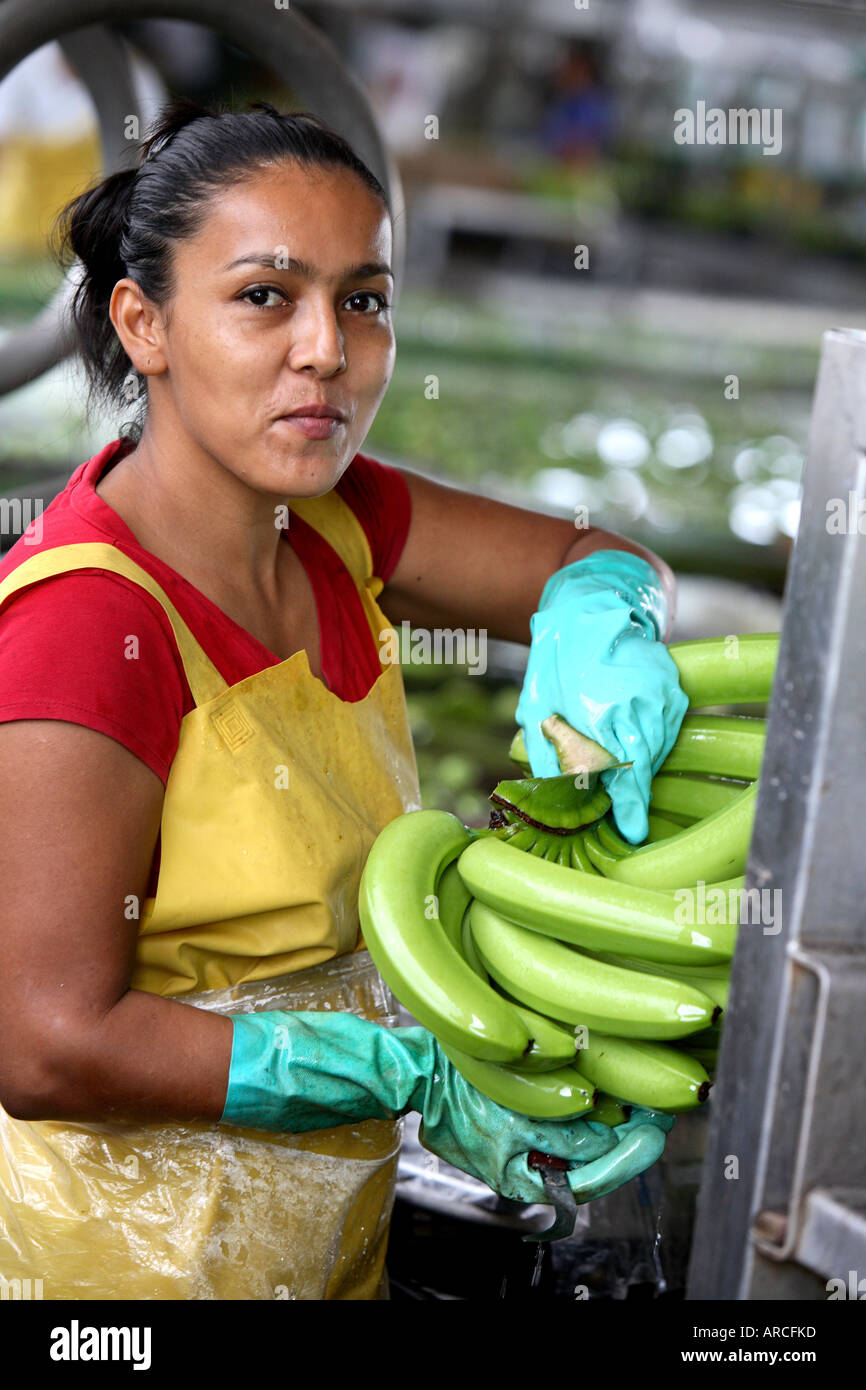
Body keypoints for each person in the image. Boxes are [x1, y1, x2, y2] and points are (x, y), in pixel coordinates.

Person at [0, 97, 688, 1301]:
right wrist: (397, 1073)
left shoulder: (329, 518)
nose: (325, 348)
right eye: (265, 295)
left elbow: (587, 557)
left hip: (322, 1241)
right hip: (126, 1278)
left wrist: (598, 625)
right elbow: (42, 1042)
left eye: (360, 299)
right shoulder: (84, 628)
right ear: (143, 323)